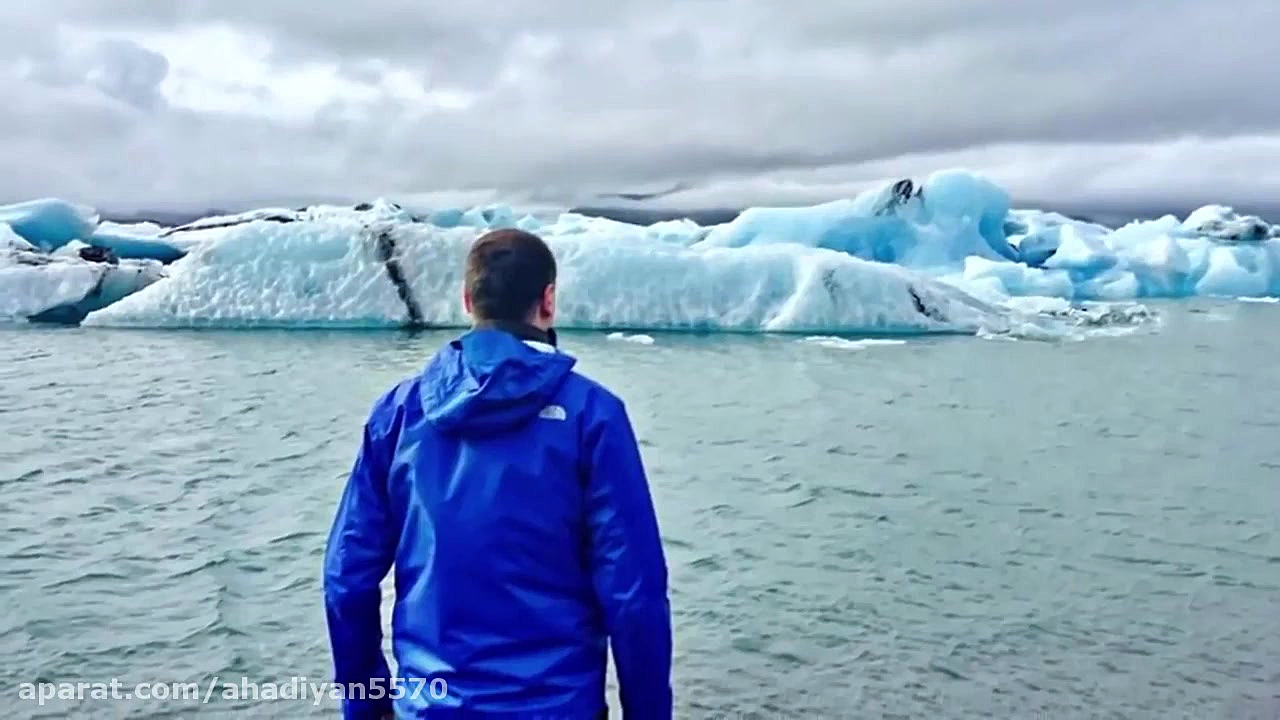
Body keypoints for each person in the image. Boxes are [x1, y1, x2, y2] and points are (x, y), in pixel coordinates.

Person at [322, 228, 673, 719]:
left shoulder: (398, 414)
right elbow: (634, 593)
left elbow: (345, 578)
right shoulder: (593, 416)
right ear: (547, 301)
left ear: (468, 301)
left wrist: (366, 705)